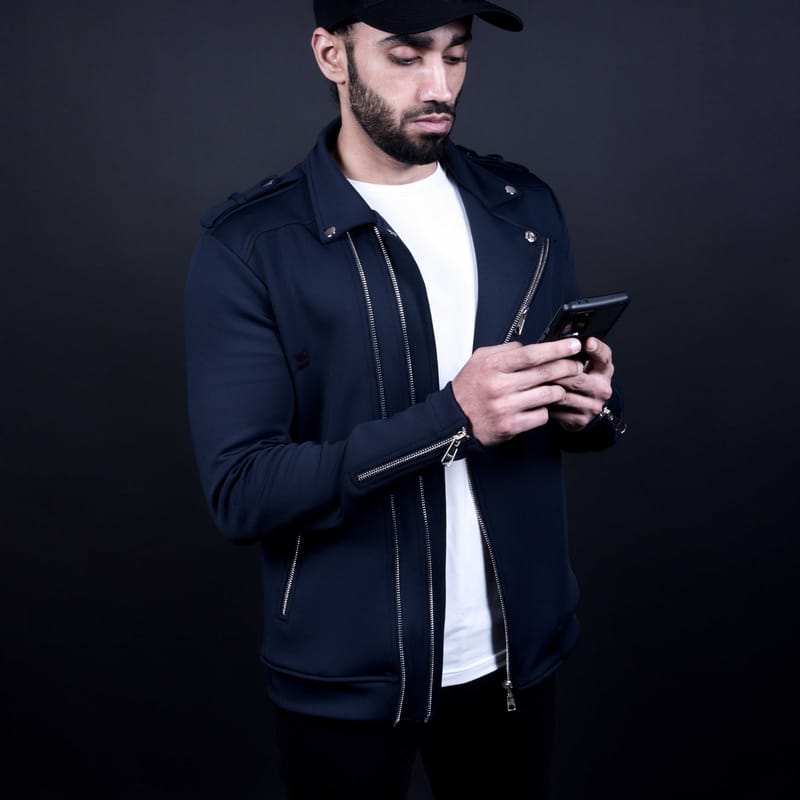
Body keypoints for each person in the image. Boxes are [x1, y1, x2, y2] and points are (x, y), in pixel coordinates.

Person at [184, 1, 626, 797]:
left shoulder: (523, 209)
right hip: (346, 679)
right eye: (406, 56)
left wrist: (589, 408)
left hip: (517, 662)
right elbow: (243, 491)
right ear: (332, 55)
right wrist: (454, 417)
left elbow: (563, 415)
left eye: (456, 55)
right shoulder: (251, 247)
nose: (439, 86)